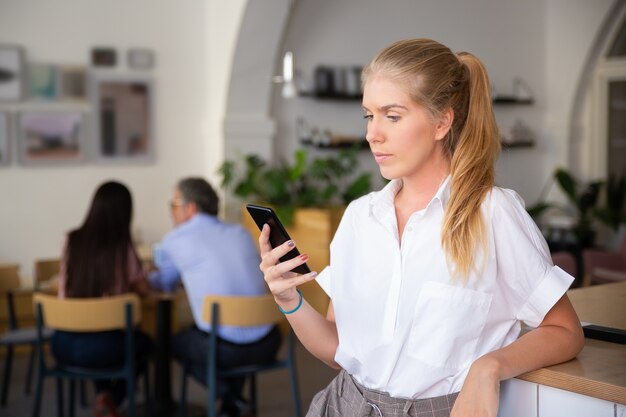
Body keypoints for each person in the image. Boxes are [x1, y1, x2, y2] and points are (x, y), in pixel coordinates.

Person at [259, 38, 585, 417]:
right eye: (369, 115)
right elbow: (337, 352)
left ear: (442, 121)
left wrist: (489, 368)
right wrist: (289, 300)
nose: (372, 134)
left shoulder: (493, 215)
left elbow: (566, 332)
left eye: (392, 116)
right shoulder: (359, 218)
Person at [149, 177, 281, 417]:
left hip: (223, 350)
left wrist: (146, 275)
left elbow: (164, 284)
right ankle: (232, 405)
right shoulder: (240, 232)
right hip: (269, 342)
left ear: (190, 208)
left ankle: (228, 394)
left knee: (168, 343)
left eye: (173, 205)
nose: (171, 211)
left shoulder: (174, 240)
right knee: (223, 328)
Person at [52, 181, 152, 417]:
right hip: (107, 348)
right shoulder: (122, 247)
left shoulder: (71, 239)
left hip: (63, 344)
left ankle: (103, 395)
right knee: (146, 345)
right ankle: (113, 399)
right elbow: (145, 289)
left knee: (100, 338)